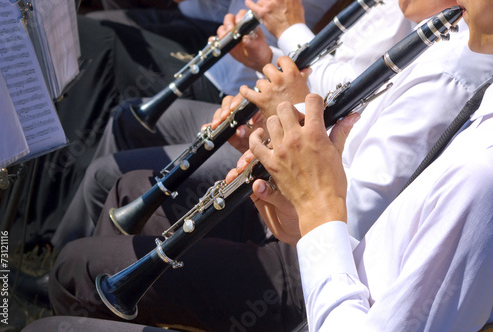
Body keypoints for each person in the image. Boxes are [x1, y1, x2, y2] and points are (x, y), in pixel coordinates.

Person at [45, 1, 493, 331]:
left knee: (80, 268)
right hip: (315, 242)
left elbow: (358, 213)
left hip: (318, 280)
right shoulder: (446, 52)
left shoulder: (459, 94)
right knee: (123, 194)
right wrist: (280, 139)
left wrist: (295, 130)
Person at [49, 0, 413, 248]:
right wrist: (267, 58)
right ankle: (62, 248)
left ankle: (74, 266)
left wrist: (288, 33)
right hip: (276, 107)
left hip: (312, 160)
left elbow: (354, 94)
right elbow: (334, 71)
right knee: (128, 118)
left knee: (111, 175)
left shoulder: (429, 38)